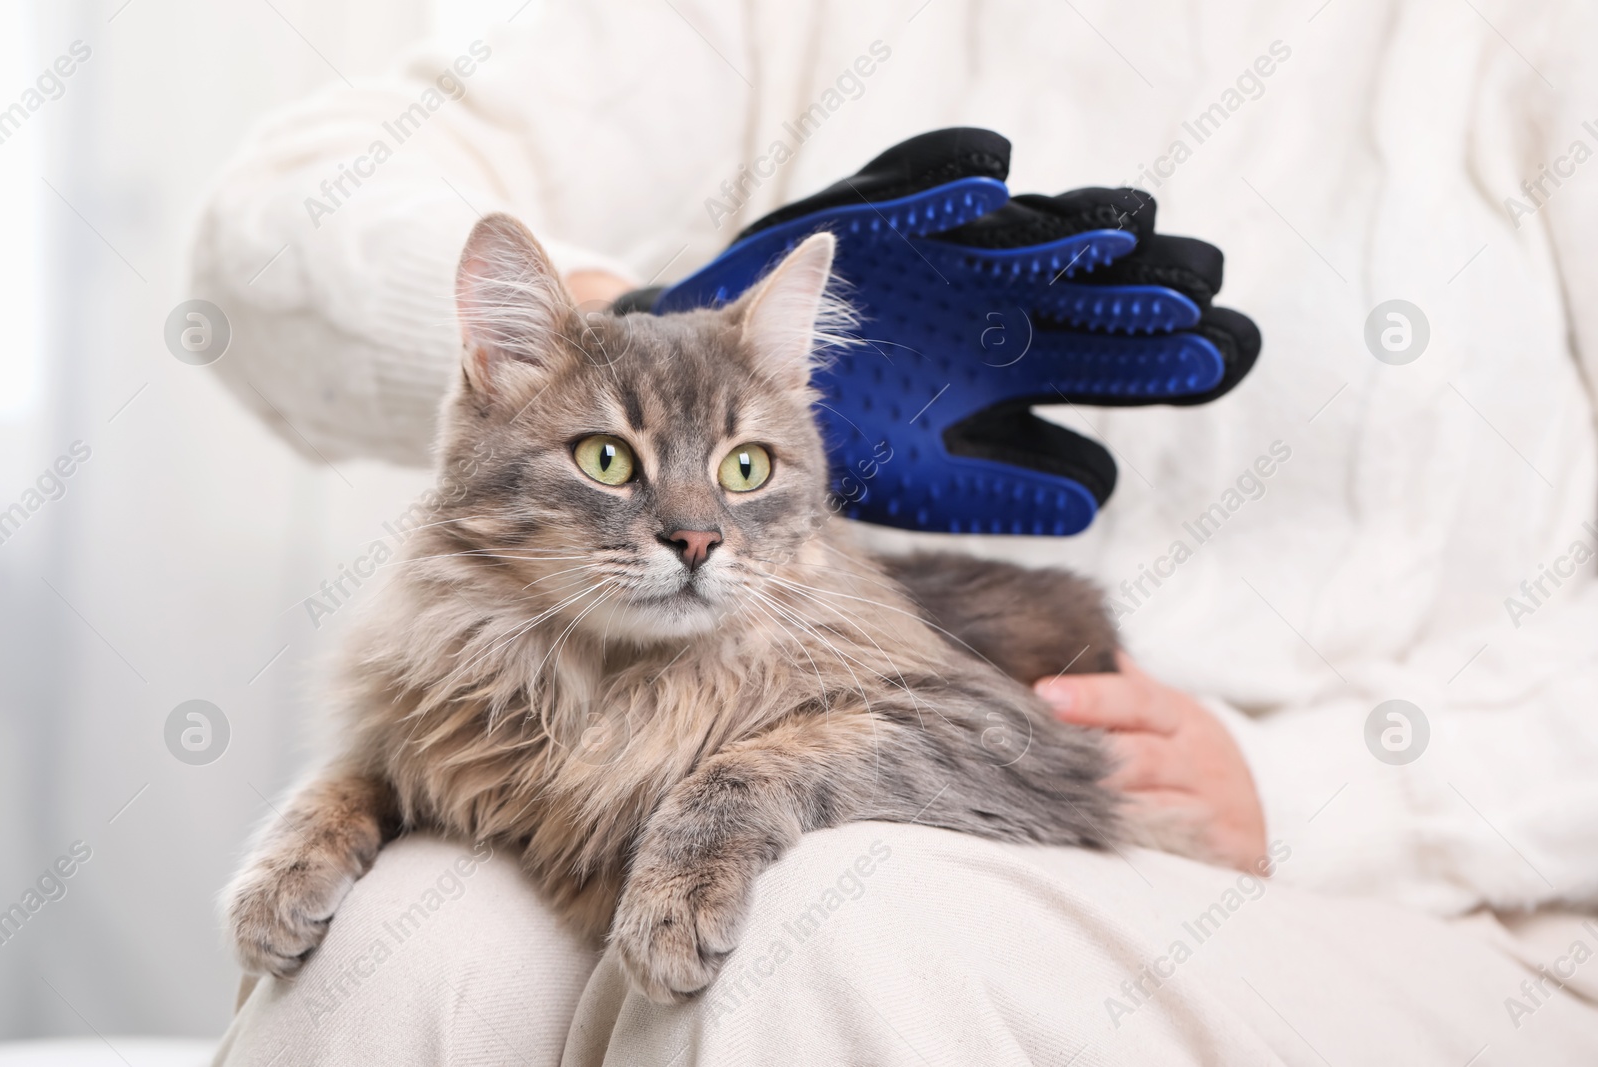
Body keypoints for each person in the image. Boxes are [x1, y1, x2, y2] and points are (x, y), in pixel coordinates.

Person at [196, 2, 1598, 1063]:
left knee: (838, 925)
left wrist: (1330, 789)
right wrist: (631, 331)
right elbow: (272, 235)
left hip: (1430, 894)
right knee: (398, 950)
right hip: (742, 702)